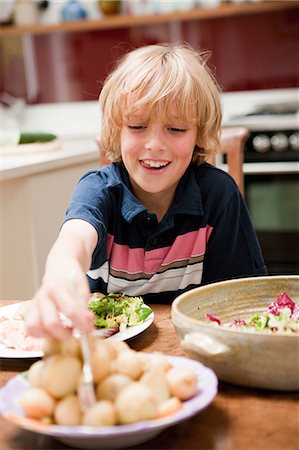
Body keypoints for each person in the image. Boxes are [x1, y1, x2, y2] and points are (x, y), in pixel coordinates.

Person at [25, 42, 267, 340]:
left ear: (199, 135)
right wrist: (61, 269)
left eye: (175, 129)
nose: (154, 144)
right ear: (117, 131)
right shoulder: (100, 190)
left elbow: (241, 301)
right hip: (104, 353)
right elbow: (75, 237)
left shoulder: (219, 195)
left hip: (192, 349)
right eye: (137, 126)